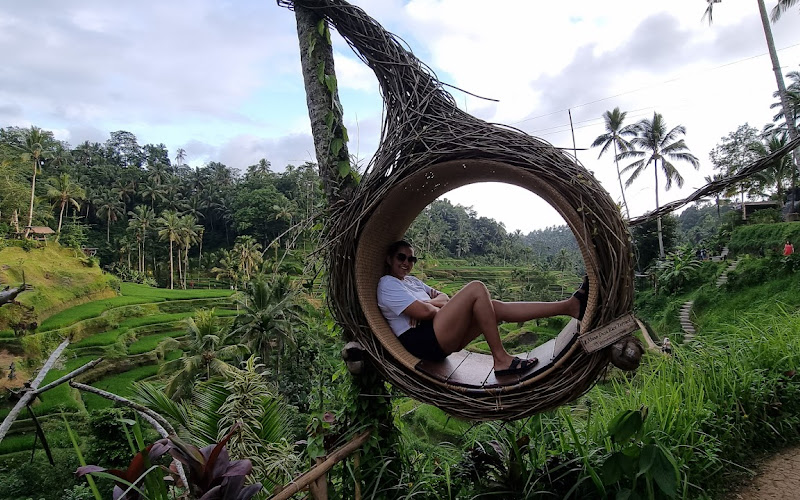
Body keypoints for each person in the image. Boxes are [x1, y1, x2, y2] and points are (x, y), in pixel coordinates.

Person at [377, 240, 589, 376]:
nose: (407, 262)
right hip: (424, 341)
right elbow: (426, 312)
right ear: (389, 259)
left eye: (411, 259)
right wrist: (428, 309)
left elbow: (443, 298)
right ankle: (501, 359)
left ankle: (569, 307)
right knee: (477, 288)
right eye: (401, 257)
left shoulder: (412, 282)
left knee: (493, 308)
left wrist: (426, 306)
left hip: (438, 333)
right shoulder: (387, 283)